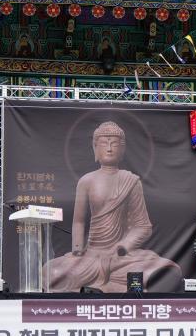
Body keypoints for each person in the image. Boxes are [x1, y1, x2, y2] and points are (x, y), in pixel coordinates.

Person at [46, 121, 183, 292]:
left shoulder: (131, 181)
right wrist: (77, 249)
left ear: (122, 149)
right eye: (104, 143)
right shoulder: (86, 181)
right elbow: (79, 221)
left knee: (158, 271)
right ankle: (113, 287)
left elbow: (143, 225)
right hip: (92, 256)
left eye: (115, 143)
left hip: (122, 256)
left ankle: (98, 288)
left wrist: (122, 247)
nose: (109, 148)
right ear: (95, 148)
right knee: (51, 271)